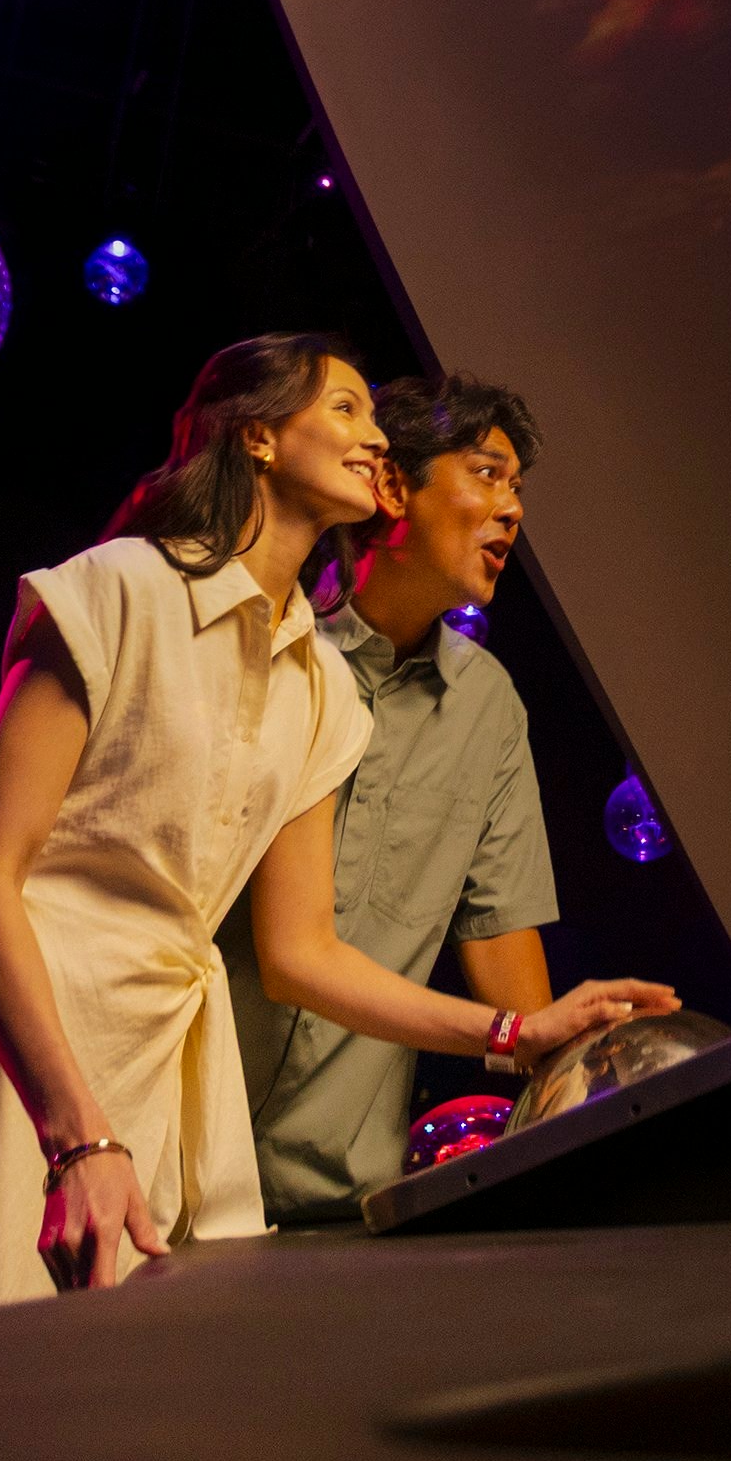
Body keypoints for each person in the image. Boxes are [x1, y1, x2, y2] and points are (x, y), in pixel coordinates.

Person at [0, 335, 671, 1332]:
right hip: (24, 1055)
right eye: (346, 410)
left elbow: (303, 953)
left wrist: (516, 1033)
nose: (377, 439)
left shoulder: (322, 690)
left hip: (169, 1074)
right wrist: (76, 1137)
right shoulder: (115, 589)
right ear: (258, 436)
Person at [224, 372, 558, 1219]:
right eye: (487, 474)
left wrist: (573, 1071)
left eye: (517, 488)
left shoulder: (489, 707)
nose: (513, 509)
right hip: (176, 1154)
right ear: (392, 486)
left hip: (341, 1193)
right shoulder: (265, 650)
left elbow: (503, 944)